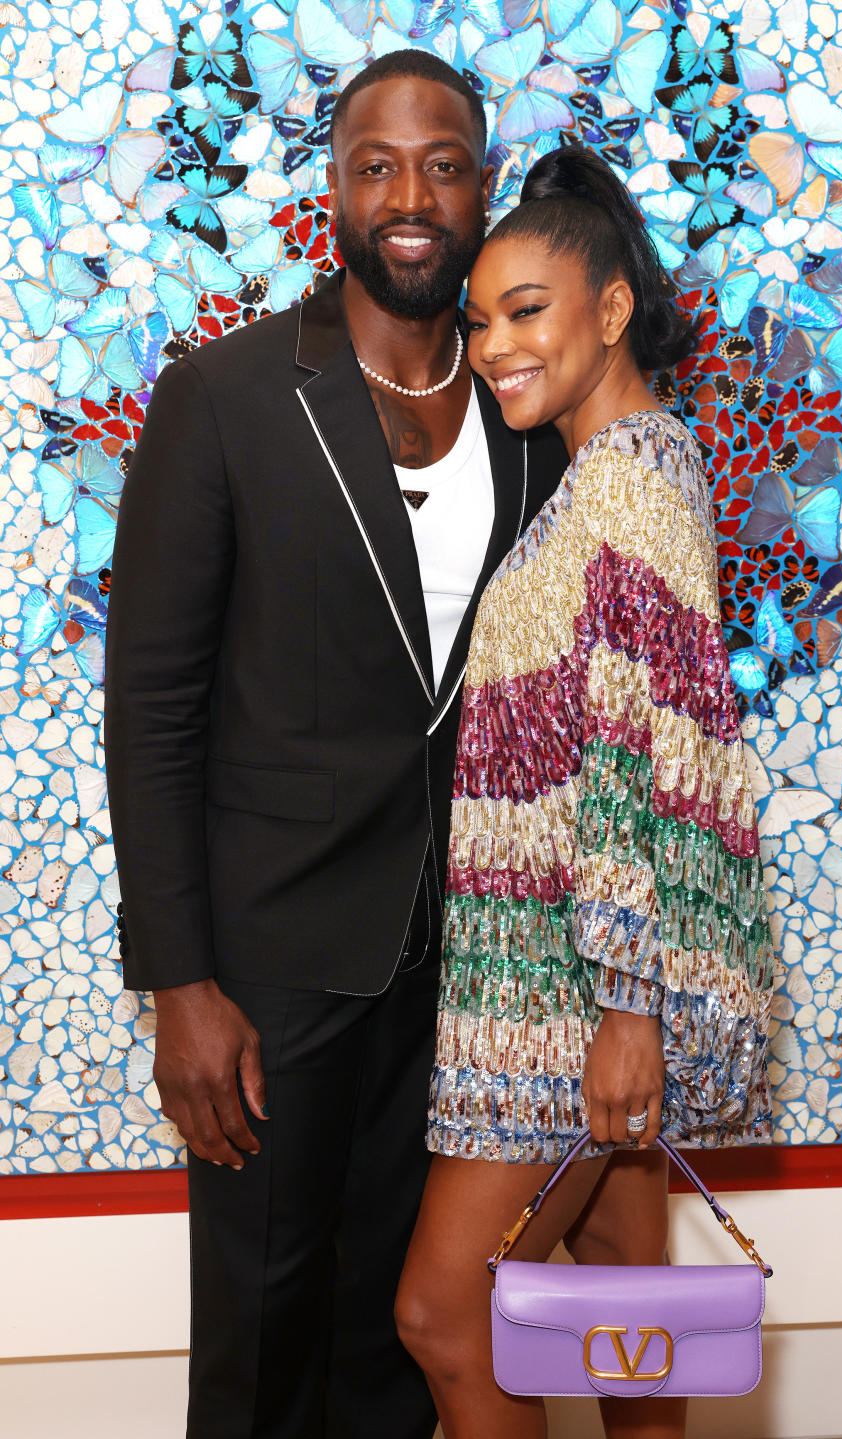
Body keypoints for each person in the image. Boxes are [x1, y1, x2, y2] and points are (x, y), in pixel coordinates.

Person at [103, 50, 568, 1439]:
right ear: (335, 191)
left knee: (393, 1344)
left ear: (482, 189)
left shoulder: (530, 417)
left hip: (456, 980)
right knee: (259, 1340)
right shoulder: (227, 399)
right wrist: (180, 980)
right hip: (269, 975)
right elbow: (154, 705)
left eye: (441, 164)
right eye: (378, 165)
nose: (409, 194)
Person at [395, 144, 775, 1439]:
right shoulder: (622, 472)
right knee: (625, 1310)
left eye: (529, 309)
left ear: (611, 310)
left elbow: (639, 761)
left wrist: (626, 1006)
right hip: (571, 976)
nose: (496, 343)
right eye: (482, 317)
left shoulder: (623, 484)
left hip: (566, 992)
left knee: (446, 1320)